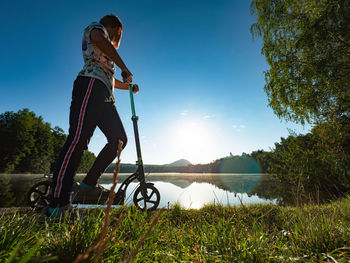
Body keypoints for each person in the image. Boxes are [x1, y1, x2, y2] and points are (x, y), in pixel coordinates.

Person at [46, 14, 139, 218]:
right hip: (89, 85)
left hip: (105, 93)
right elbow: (98, 39)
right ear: (118, 31)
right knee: (78, 139)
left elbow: (111, 79)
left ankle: (88, 186)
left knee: (119, 139)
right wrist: (124, 67)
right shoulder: (97, 28)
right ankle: (58, 203)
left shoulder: (104, 55)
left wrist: (129, 87)